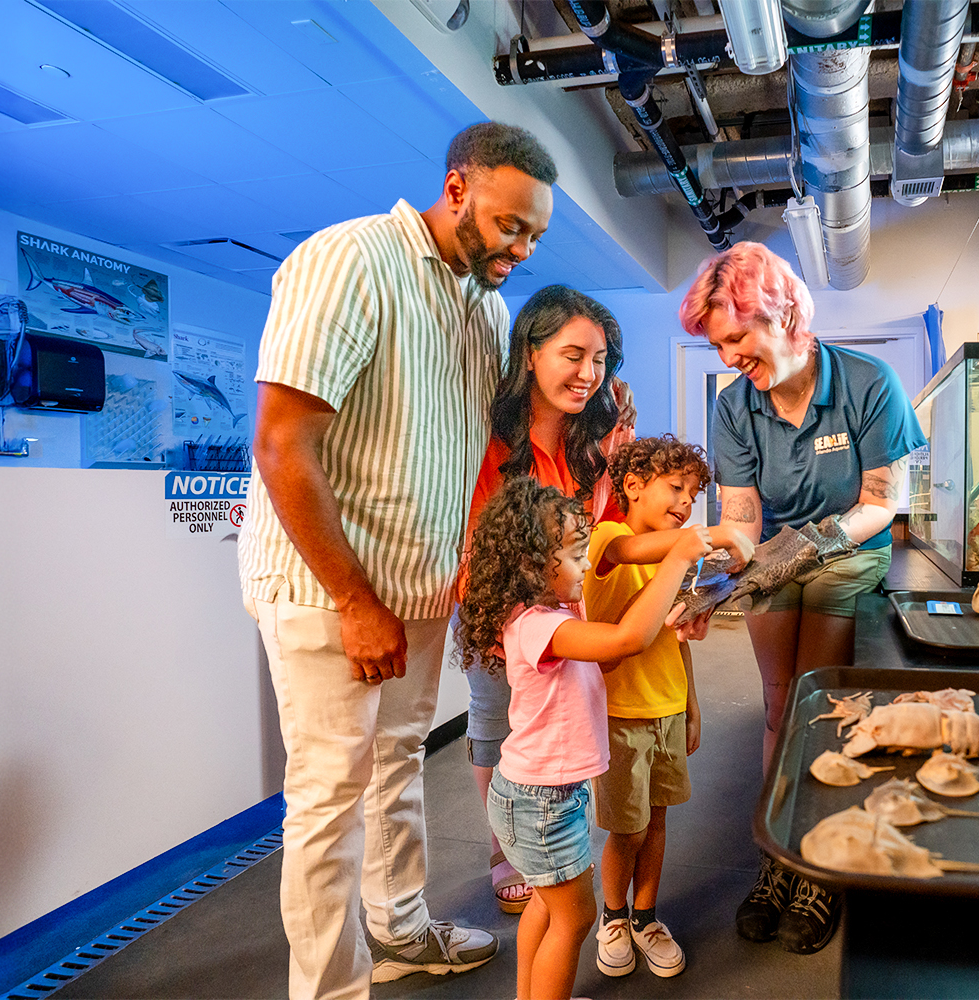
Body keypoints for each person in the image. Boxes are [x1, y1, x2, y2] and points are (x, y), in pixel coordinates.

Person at [238, 121, 556, 997]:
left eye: (534, 235)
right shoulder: (350, 260)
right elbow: (281, 445)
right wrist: (354, 599)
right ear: (458, 188)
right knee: (330, 798)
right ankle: (331, 991)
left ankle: (403, 930)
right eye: (509, 225)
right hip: (329, 592)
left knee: (398, 765)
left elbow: (477, 453)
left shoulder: (483, 309)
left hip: (420, 594)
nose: (520, 249)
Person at [678, 241, 928, 955]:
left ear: (784, 313)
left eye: (735, 338)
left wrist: (817, 542)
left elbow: (884, 503)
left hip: (849, 550)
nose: (728, 358)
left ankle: (823, 864)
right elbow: (746, 522)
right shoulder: (736, 407)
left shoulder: (868, 382)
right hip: (777, 554)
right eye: (717, 344)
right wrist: (711, 582)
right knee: (781, 703)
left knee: (821, 702)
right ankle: (778, 855)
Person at [457, 477, 710, 1000]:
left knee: (547, 906)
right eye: (575, 555)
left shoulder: (559, 615)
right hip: (541, 800)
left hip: (539, 791)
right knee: (575, 918)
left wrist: (671, 607)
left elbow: (614, 652)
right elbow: (626, 637)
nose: (587, 566)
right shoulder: (536, 625)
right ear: (532, 565)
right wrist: (677, 560)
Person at [454, 284, 629, 915]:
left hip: (564, 609)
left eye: (601, 359)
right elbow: (480, 540)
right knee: (498, 718)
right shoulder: (492, 439)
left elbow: (600, 530)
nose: (588, 374)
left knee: (553, 723)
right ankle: (506, 850)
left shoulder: (591, 442)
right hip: (500, 606)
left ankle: (543, 838)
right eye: (572, 355)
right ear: (529, 352)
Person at [584, 434, 754, 980]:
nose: (685, 503)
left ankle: (645, 917)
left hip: (667, 710)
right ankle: (612, 917)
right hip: (618, 715)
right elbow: (634, 554)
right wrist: (717, 534)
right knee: (625, 829)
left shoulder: (678, 557)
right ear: (632, 486)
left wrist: (693, 705)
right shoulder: (610, 537)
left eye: (693, 493)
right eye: (675, 488)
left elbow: (675, 636)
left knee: (656, 821)